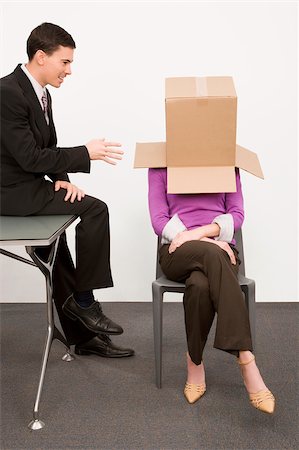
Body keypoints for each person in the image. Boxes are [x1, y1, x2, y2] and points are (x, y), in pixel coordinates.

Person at [0, 22, 134, 358]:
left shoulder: (40, 91)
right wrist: (85, 153)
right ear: (41, 57)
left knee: (56, 254)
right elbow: (30, 156)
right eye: (65, 62)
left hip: (29, 184)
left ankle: (82, 337)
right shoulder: (7, 93)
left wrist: (60, 175)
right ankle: (86, 302)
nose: (69, 71)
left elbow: (46, 145)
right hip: (11, 193)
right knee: (94, 209)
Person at [148, 167, 275, 413]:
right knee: (212, 254)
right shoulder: (160, 167)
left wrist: (204, 232)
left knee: (199, 284)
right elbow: (158, 219)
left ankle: (194, 362)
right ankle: (246, 358)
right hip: (178, 250)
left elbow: (237, 214)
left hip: (219, 248)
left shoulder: (228, 166)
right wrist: (202, 241)